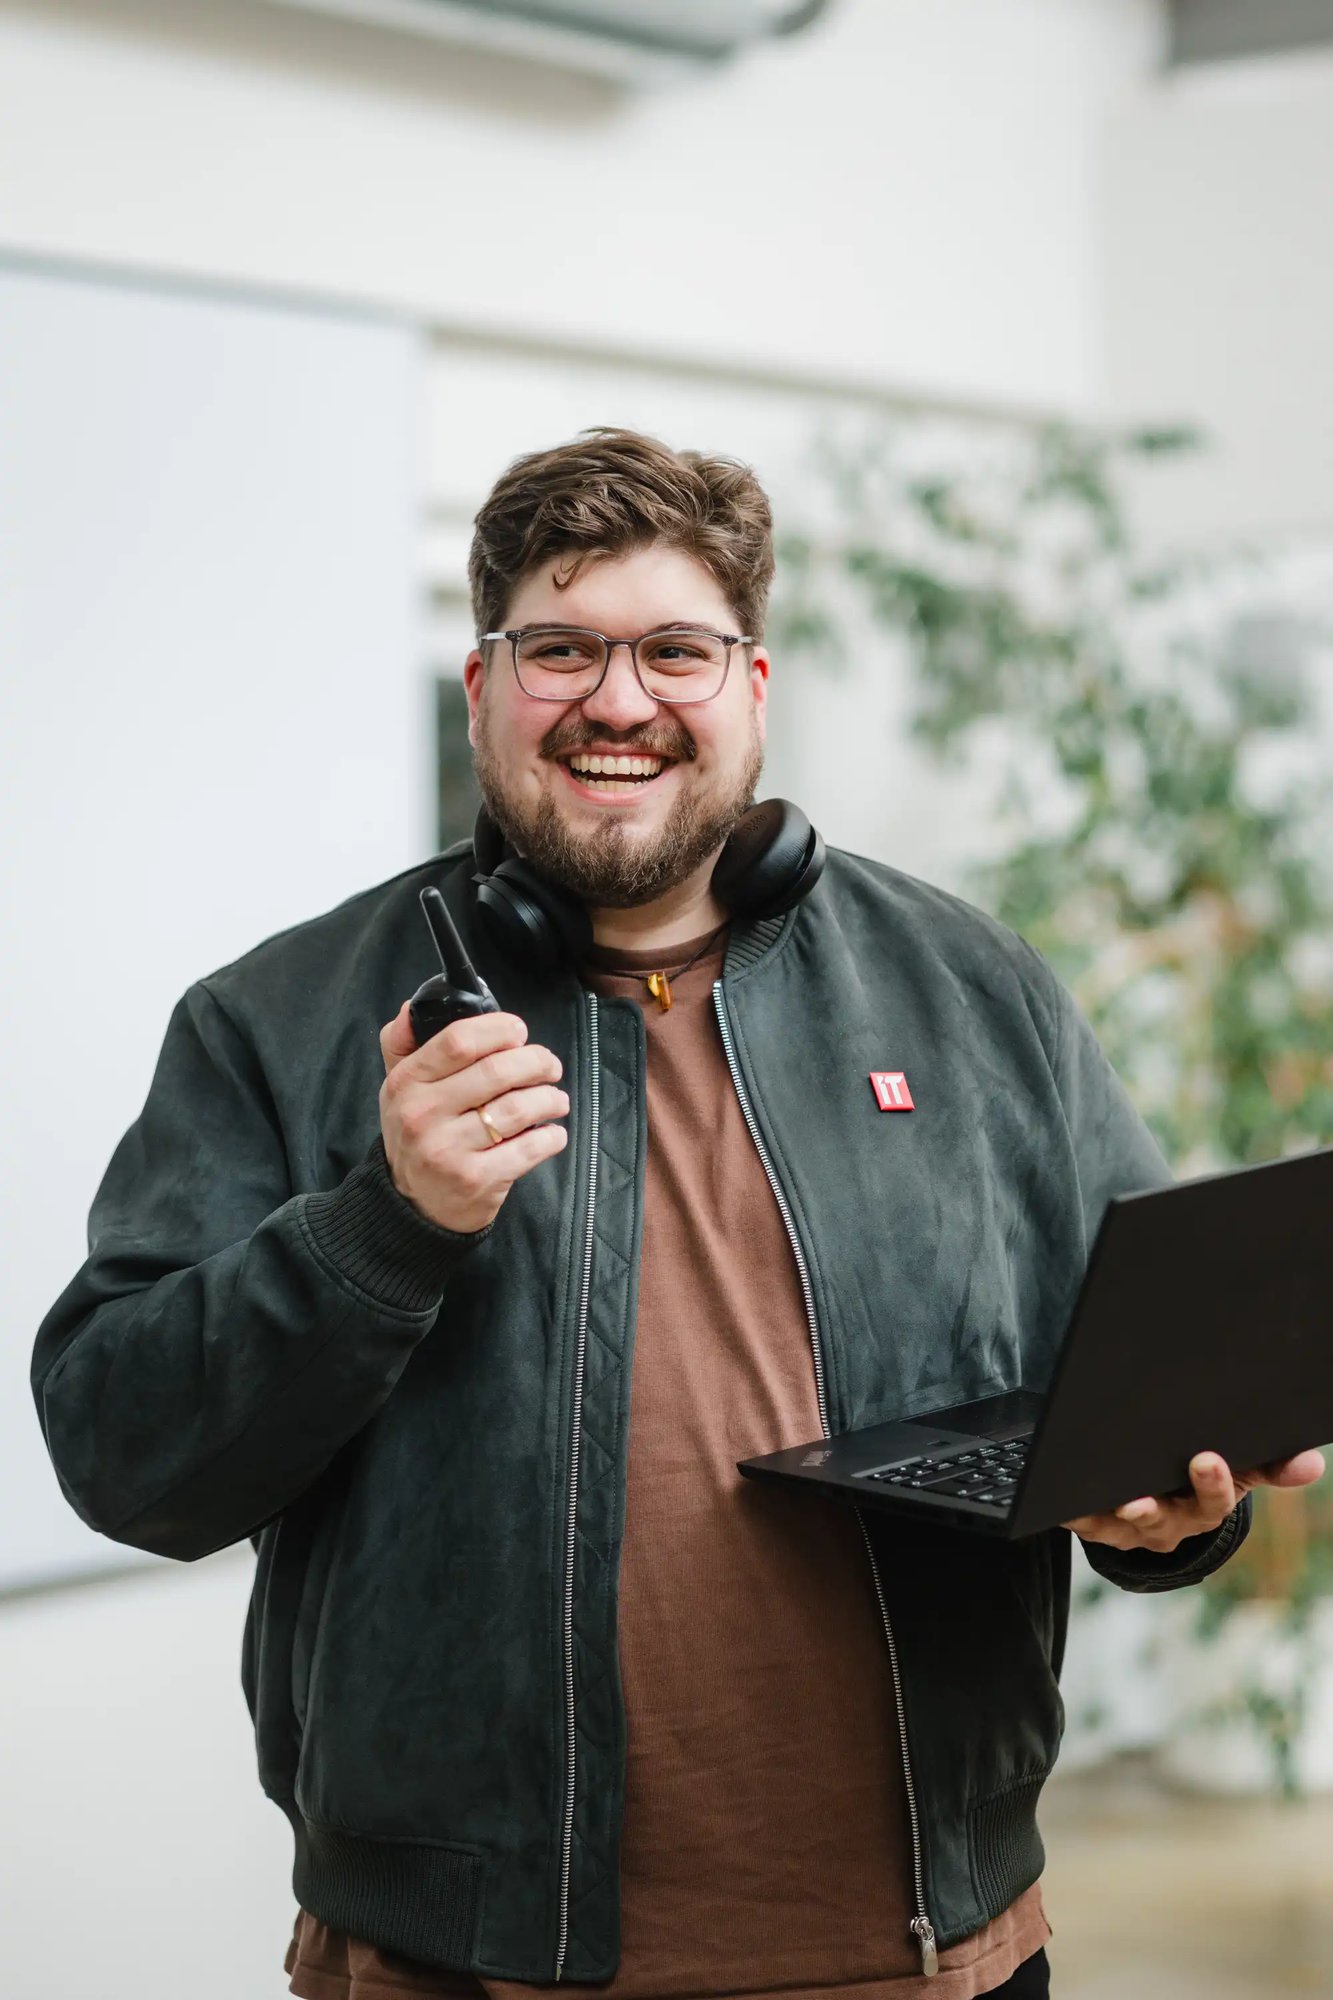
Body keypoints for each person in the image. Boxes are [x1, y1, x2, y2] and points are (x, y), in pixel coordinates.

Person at [32, 428, 1325, 2000]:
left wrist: (1176, 1516)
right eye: (559, 650)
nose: (618, 699)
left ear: (752, 688)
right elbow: (123, 1455)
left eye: (673, 651)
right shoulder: (279, 1019)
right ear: (482, 688)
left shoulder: (970, 990)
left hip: (930, 1954)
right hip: (456, 1966)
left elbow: (1141, 1384)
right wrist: (386, 1222)